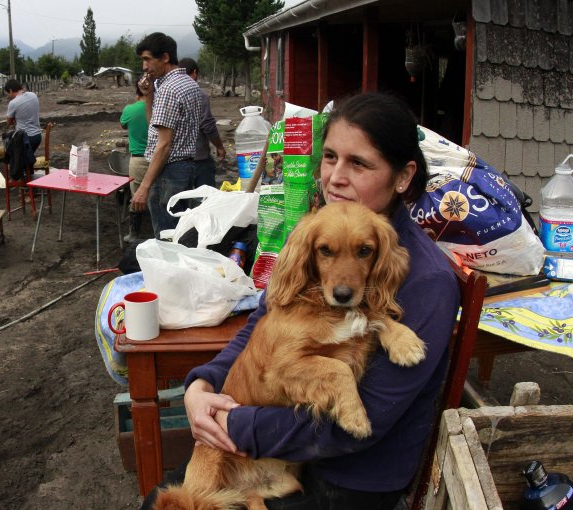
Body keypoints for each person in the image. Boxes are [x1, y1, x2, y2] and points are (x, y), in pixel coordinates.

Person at [142, 93, 461, 510]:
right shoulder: (317, 236)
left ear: (403, 177)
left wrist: (234, 424)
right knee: (163, 500)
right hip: (284, 452)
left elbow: (360, 426)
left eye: (359, 163)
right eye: (330, 158)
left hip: (347, 478)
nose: (335, 178)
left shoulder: (427, 281)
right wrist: (204, 385)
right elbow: (265, 323)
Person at [132, 32, 203, 238]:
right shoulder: (189, 83)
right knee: (180, 231)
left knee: (166, 236)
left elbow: (163, 145)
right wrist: (148, 97)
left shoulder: (169, 90)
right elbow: (154, 127)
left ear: (164, 58)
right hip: (185, 168)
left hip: (168, 172)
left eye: (147, 60)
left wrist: (143, 187)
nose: (144, 67)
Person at [178, 57, 226, 189]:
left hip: (176, 161)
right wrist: (220, 147)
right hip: (199, 158)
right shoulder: (199, 95)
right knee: (205, 200)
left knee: (180, 202)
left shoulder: (169, 93)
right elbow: (207, 125)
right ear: (194, 73)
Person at [120, 80, 150, 243]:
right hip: (159, 158)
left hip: (138, 159)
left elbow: (123, 125)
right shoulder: (158, 107)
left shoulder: (130, 109)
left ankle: (134, 234)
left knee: (137, 195)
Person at [4, 79, 42, 155]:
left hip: (25, 139)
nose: (8, 96)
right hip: (37, 136)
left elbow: (9, 122)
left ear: (10, 90)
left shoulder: (13, 103)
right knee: (28, 159)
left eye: (7, 93)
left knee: (15, 158)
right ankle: (28, 165)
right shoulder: (33, 95)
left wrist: (14, 119)